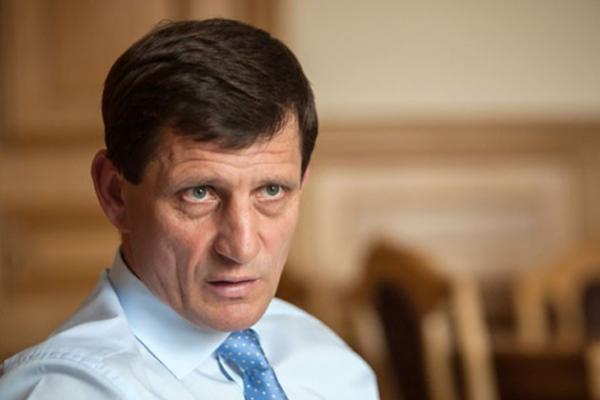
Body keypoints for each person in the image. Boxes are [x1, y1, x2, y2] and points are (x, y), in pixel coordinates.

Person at [0, 18, 379, 399]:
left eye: (271, 190)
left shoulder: (334, 367)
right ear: (115, 193)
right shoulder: (64, 390)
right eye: (199, 193)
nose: (242, 247)